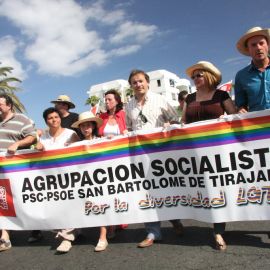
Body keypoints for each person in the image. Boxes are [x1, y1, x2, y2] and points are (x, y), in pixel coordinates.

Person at [125, 69, 184, 248]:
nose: (138, 85)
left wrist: (169, 124)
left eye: (141, 81)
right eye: (134, 82)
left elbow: (176, 120)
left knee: (164, 189)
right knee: (146, 192)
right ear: (131, 86)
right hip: (140, 155)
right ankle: (152, 232)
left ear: (148, 82)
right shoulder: (128, 106)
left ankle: (174, 219)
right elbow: (129, 127)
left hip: (161, 153)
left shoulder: (160, 100)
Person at [182, 61, 237, 251]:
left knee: (217, 188)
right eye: (193, 76)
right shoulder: (189, 98)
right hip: (195, 152)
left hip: (219, 151)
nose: (195, 78)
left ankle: (218, 230)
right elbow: (183, 123)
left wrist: (226, 119)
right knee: (203, 188)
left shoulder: (221, 95)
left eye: (199, 75)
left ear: (209, 76)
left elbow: (235, 116)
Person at [34, 107, 79, 253]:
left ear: (60, 118)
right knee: (56, 208)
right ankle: (71, 231)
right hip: (50, 179)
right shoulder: (43, 137)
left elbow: (79, 151)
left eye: (56, 117)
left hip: (69, 177)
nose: (54, 120)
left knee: (69, 206)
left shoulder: (70, 134)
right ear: (46, 121)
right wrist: (37, 142)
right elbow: (37, 149)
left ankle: (66, 238)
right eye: (50, 118)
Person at [0, 93, 37, 252]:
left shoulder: (22, 119)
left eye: (0, 104)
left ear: (9, 105)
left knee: (23, 201)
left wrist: (17, 144)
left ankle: (36, 228)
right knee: (3, 201)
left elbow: (32, 137)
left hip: (17, 170)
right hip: (1, 172)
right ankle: (5, 236)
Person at [71, 111, 110, 252]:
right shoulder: (76, 145)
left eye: (88, 125)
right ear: (80, 128)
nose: (86, 128)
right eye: (83, 126)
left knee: (100, 205)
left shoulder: (101, 140)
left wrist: (110, 140)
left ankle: (103, 236)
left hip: (100, 179)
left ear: (93, 126)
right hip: (84, 181)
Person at [234, 26, 270, 113]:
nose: (258, 48)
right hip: (259, 125)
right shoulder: (240, 76)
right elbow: (241, 105)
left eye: (261, 43)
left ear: (268, 45)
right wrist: (241, 109)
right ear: (248, 49)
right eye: (253, 45)